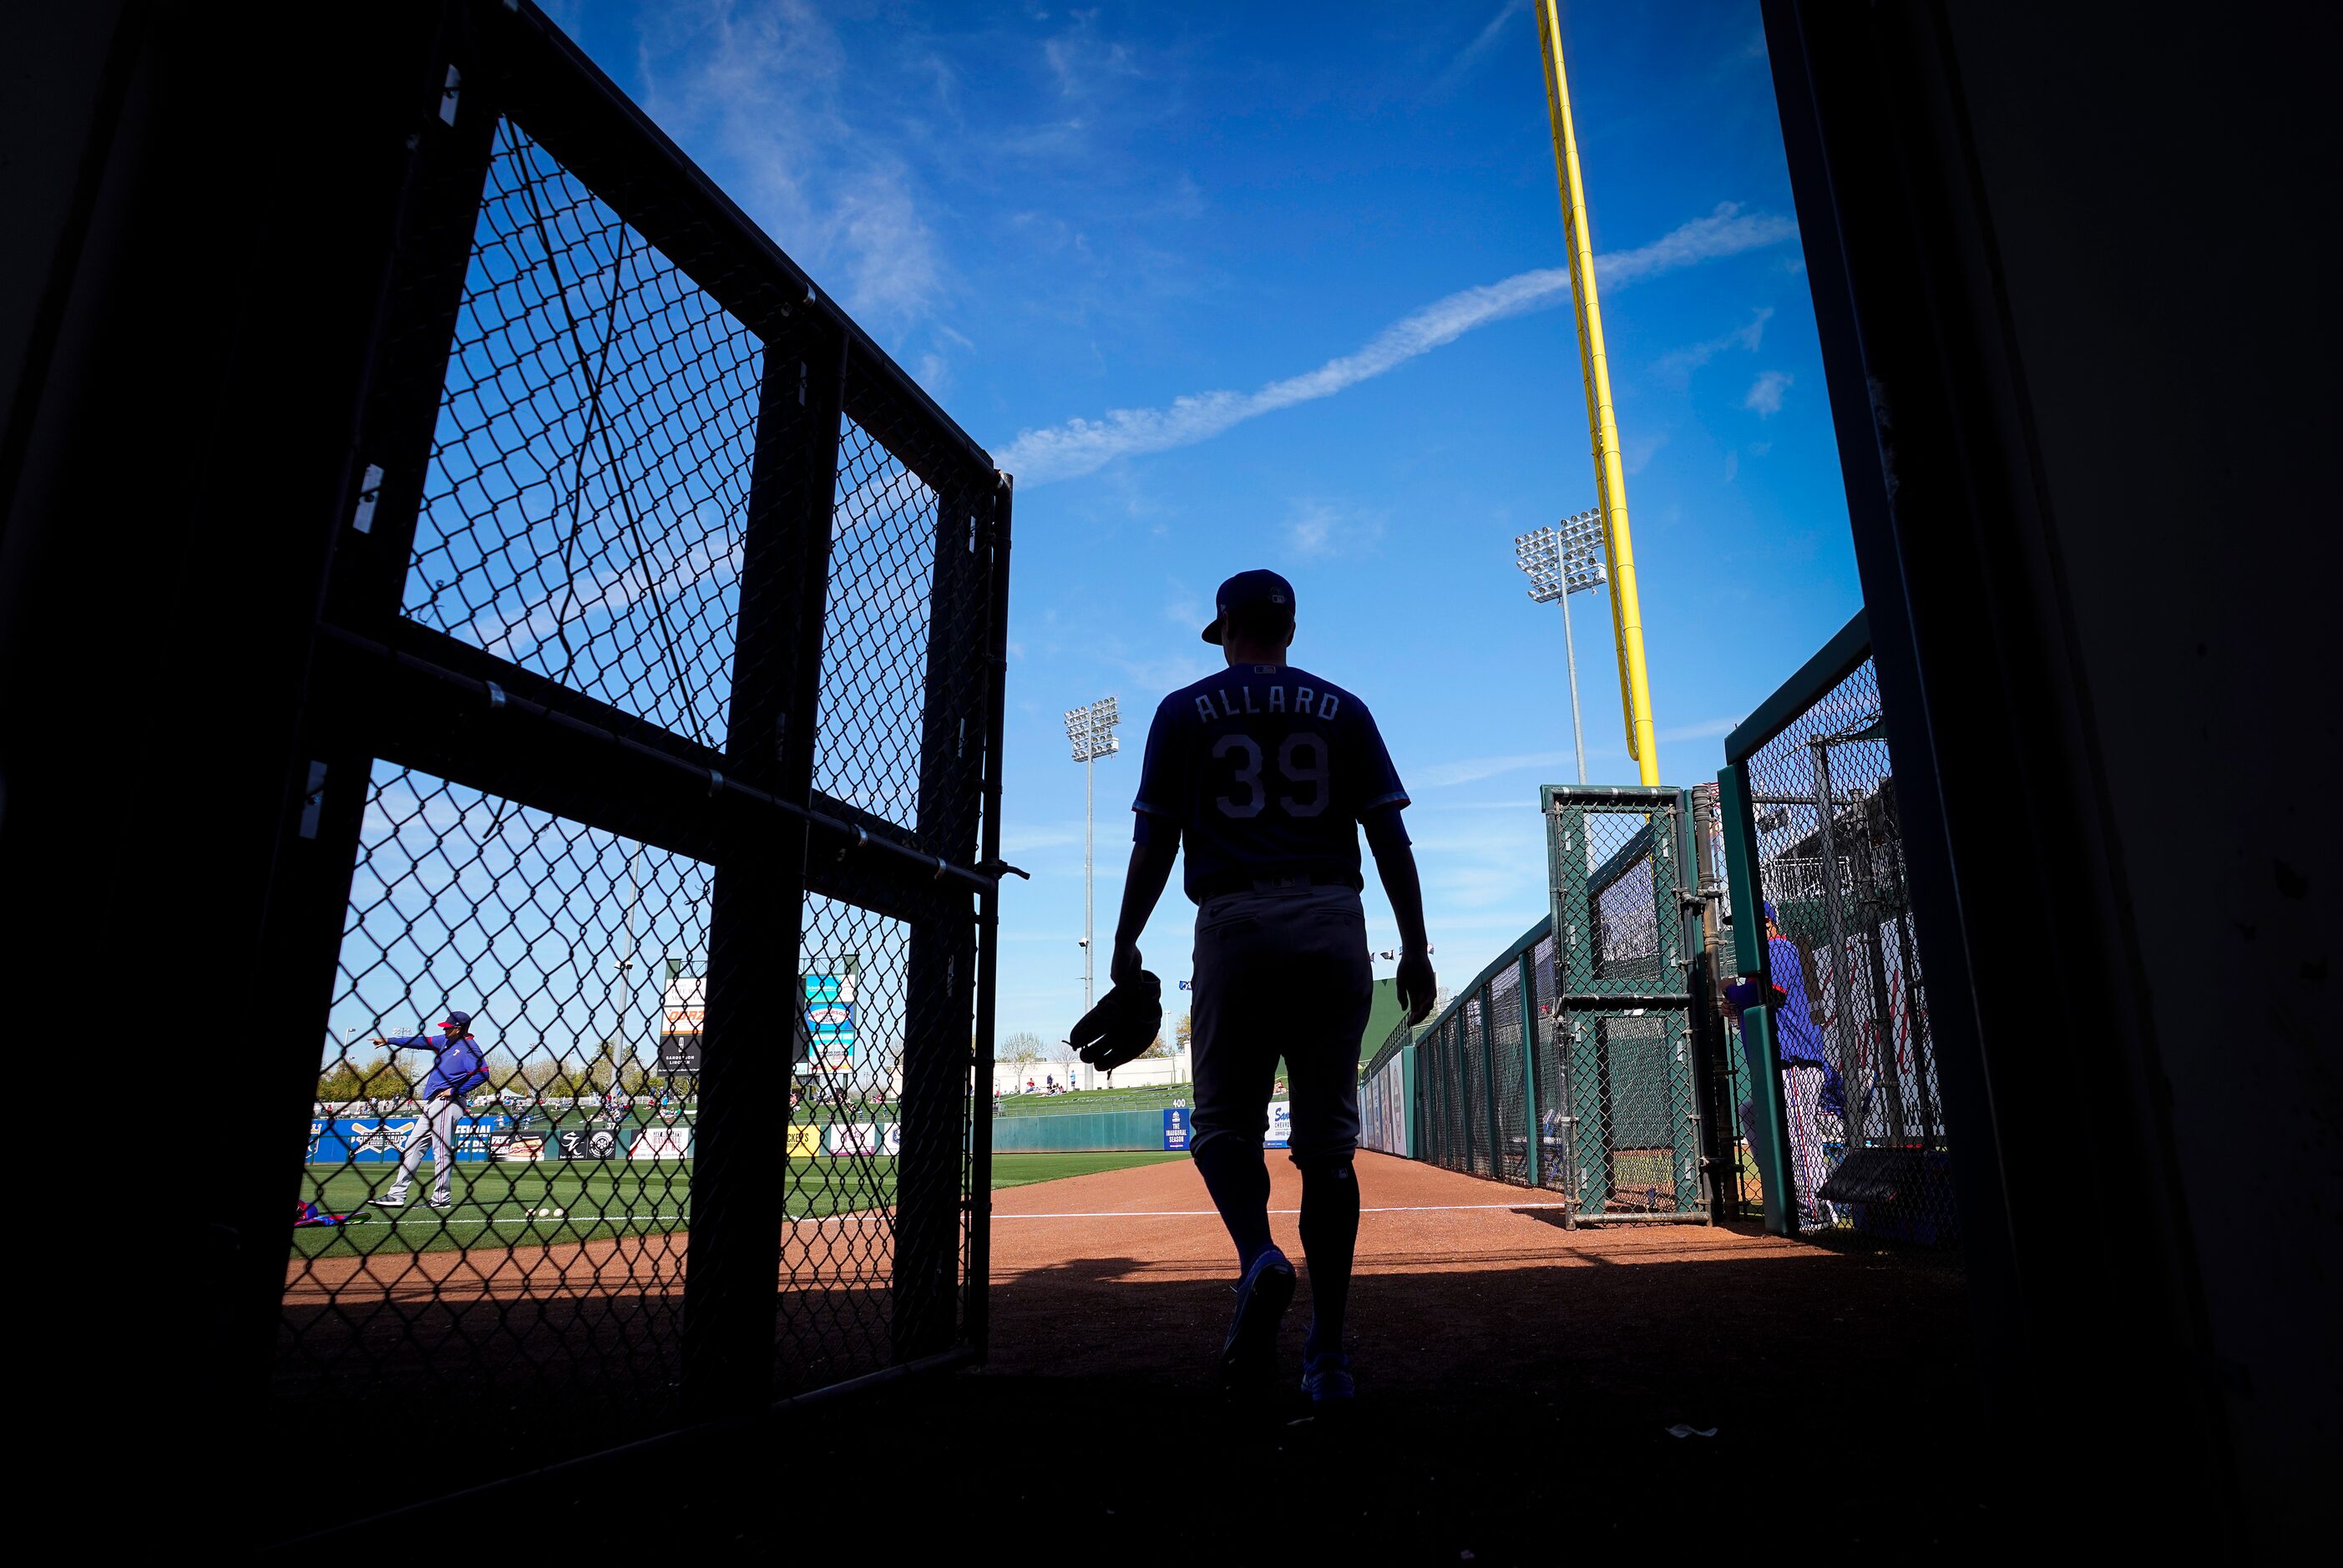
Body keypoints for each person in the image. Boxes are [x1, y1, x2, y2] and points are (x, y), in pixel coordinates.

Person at [1111, 568, 1435, 1411]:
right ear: (1288, 630)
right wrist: (1417, 948)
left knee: (1222, 1129)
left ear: (1226, 630)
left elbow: (1155, 843)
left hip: (1233, 925)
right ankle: (1328, 1356)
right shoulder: (1343, 706)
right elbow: (1390, 838)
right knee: (1327, 1150)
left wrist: (1123, 941)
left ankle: (1257, 1255)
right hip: (1334, 919)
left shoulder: (1182, 710)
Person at [1724, 903, 1845, 1228]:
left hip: (1795, 1063)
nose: (1741, 932)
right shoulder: (1763, 961)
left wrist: (1730, 990)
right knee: (1751, 1114)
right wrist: (1737, 1008)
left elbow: (1770, 993)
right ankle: (1786, 1192)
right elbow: (1762, 1006)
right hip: (1778, 1065)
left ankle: (1816, 1209)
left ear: (1768, 923)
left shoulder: (1778, 949)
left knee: (1799, 1135)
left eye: (1749, 924)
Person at [368, 1009, 489, 1210]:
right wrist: (390, 1040)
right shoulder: (445, 1041)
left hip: (448, 1103)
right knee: (412, 1146)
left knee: (440, 1150)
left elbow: (483, 1073)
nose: (445, 1030)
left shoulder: (469, 1048)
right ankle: (397, 1194)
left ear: (458, 1029)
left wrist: (455, 1089)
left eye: (448, 1028)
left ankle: (442, 1197)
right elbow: (421, 1041)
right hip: (433, 1103)